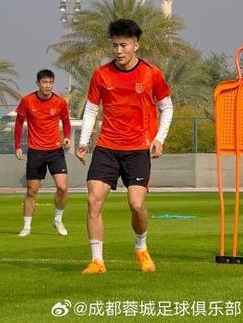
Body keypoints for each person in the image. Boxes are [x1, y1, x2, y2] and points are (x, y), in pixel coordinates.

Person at [76, 19, 174, 274]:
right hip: (107, 147)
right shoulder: (101, 74)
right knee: (93, 200)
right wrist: (83, 141)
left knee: (136, 205)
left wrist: (159, 138)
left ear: (136, 46)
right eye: (115, 45)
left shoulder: (151, 73)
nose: (118, 51)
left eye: (124, 45)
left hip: (138, 149)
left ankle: (141, 246)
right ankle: (97, 261)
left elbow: (166, 107)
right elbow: (91, 109)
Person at [14, 69, 71, 237]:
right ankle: (26, 226)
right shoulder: (27, 101)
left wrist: (67, 137)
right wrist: (17, 146)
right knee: (32, 191)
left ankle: (58, 220)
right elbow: (18, 124)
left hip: (55, 151)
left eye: (50, 82)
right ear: (37, 83)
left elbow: (66, 122)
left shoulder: (60, 102)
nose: (48, 85)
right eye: (44, 82)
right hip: (35, 151)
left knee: (62, 187)